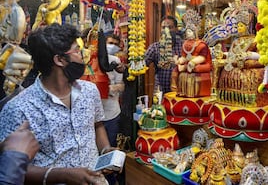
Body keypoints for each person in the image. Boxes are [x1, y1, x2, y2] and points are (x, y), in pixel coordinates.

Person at [0, 23, 117, 184]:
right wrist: (63, 175)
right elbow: (11, 167)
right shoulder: (18, 109)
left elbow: (97, 126)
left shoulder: (90, 91)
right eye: (77, 50)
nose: (83, 55)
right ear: (60, 60)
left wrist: (105, 151)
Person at [103, 31, 125, 185]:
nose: (112, 46)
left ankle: (110, 181)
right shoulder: (92, 61)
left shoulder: (116, 61)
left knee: (109, 151)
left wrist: (107, 89)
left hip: (111, 113)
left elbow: (121, 86)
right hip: (94, 116)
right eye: (109, 43)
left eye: (115, 44)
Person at [145, 15, 183, 93]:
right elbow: (142, 63)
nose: (166, 30)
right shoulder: (155, 47)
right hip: (160, 91)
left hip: (180, 90)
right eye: (163, 27)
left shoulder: (184, 46)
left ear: (176, 29)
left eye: (170, 27)